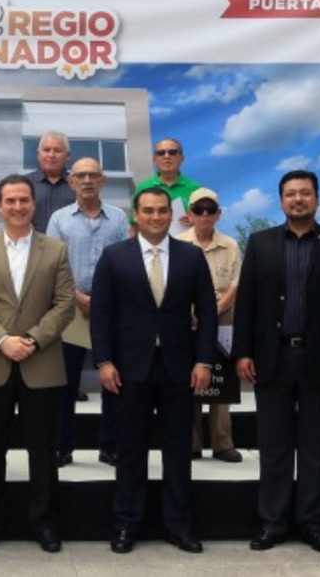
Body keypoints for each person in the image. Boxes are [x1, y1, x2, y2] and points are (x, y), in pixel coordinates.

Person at [232, 170, 320, 554]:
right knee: (274, 447)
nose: (298, 199)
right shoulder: (261, 243)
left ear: (317, 198)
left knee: (316, 448)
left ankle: (313, 523)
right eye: (290, 194)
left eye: (305, 193)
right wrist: (243, 352)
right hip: (271, 359)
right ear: (281, 201)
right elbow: (246, 303)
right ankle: (272, 523)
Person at [91, 186, 217, 554]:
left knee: (178, 452)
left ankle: (179, 526)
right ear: (136, 214)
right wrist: (104, 360)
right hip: (129, 370)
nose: (156, 216)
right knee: (130, 451)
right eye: (148, 210)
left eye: (162, 210)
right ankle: (126, 525)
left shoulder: (191, 257)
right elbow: (100, 313)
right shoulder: (115, 256)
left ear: (172, 215)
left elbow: (207, 313)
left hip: (180, 369)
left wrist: (204, 360)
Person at [0, 174, 75, 553]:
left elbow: (64, 304)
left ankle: (44, 523)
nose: (17, 206)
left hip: (40, 362)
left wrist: (32, 339)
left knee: (43, 452)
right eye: (10, 200)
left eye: (23, 200)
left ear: (33, 204)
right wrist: (2, 340)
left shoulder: (55, 249)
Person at [45, 157, 129, 467]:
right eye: (80, 175)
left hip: (111, 310)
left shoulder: (119, 218)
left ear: (103, 180)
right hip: (70, 308)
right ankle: (62, 446)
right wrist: (77, 297)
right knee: (65, 383)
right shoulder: (59, 219)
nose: (87, 180)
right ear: (71, 182)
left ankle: (110, 446)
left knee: (113, 381)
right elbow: (52, 264)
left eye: (93, 175)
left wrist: (103, 300)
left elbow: (126, 261)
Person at [176, 188, 243, 463]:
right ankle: (191, 443)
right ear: (189, 215)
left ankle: (222, 443)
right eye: (198, 209)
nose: (204, 214)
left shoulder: (230, 245)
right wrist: (194, 311)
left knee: (221, 379)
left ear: (219, 214)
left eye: (210, 209)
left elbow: (236, 284)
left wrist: (211, 312)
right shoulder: (177, 243)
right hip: (186, 316)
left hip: (222, 316)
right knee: (188, 379)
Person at [131, 138, 202, 232]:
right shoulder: (143, 188)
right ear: (154, 160)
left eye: (172, 152)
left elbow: (205, 222)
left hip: (186, 240)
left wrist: (197, 221)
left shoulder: (195, 189)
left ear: (181, 158)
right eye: (161, 153)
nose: (166, 156)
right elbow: (135, 226)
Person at [26, 131, 76, 234]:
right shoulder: (25, 184)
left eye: (57, 151)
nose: (51, 155)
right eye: (46, 150)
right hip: (34, 243)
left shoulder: (77, 184)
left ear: (67, 155)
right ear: (38, 155)